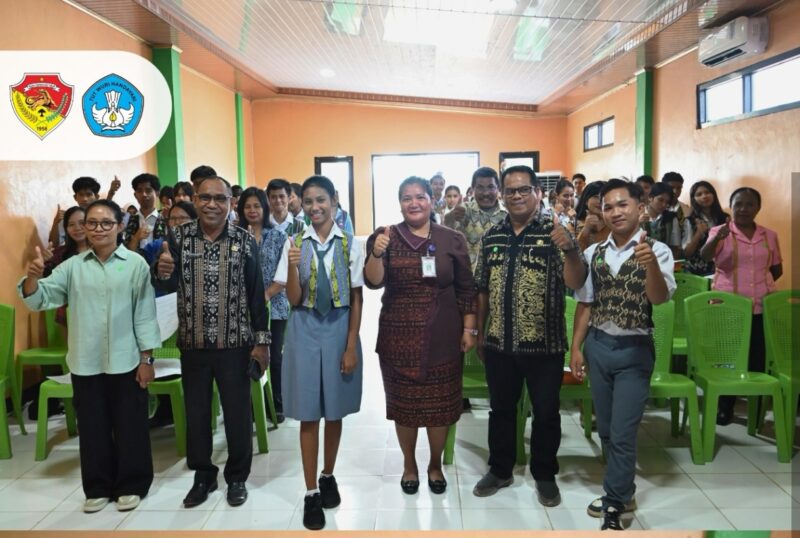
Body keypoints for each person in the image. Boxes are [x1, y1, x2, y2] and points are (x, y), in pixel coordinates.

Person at [19, 199, 161, 514]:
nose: (98, 229)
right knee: (93, 427)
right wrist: (32, 277)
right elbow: (40, 298)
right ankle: (97, 487)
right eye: (92, 223)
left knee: (130, 426)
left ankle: (132, 484)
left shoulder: (135, 264)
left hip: (126, 360)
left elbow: (145, 315)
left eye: (106, 223)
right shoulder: (73, 267)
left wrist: (146, 360)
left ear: (120, 226)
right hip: (86, 362)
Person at [153, 175, 270, 509]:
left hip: (235, 344)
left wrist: (262, 343)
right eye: (205, 198)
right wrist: (161, 270)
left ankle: (237, 477)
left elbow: (256, 295)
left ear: (230, 203)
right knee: (197, 415)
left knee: (237, 415)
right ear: (195, 200)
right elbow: (166, 283)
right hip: (194, 345)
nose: (212, 205)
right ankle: (203, 475)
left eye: (220, 199)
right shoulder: (179, 238)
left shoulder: (244, 241)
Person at [471, 165, 583, 506]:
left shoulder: (557, 232)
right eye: (510, 191)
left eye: (524, 189)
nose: (516, 196)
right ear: (502, 195)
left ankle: (545, 475)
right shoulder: (493, 235)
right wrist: (479, 332)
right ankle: (500, 470)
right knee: (501, 410)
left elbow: (576, 282)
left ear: (538, 192)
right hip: (499, 343)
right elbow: (482, 289)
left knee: (546, 413)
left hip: (545, 345)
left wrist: (571, 250)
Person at [568, 179, 675, 530]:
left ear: (639, 208)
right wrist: (576, 348)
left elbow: (659, 298)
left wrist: (650, 265)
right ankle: (624, 490)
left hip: (634, 350)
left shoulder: (657, 251)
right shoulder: (594, 253)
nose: (615, 212)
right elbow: (586, 303)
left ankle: (614, 500)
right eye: (608, 207)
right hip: (599, 346)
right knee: (607, 428)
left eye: (622, 204)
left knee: (624, 429)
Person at [365, 176, 477, 500]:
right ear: (400, 203)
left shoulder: (451, 239)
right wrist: (376, 253)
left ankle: (435, 465)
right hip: (397, 339)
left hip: (443, 335)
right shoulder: (385, 236)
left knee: (440, 407)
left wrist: (469, 328)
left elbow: (467, 288)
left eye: (420, 197)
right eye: (406, 198)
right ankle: (409, 464)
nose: (413, 203)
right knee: (405, 407)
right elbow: (373, 282)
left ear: (431, 200)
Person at [274, 176, 364, 530]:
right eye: (309, 201)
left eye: (321, 200)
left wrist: (351, 345)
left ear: (334, 200)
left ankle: (328, 475)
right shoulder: (294, 242)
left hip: (340, 326)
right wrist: (293, 265)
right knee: (309, 413)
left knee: (335, 410)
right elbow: (294, 298)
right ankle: (311, 491)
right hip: (305, 327)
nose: (315, 207)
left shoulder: (350, 243)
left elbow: (356, 297)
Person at [700, 187, 782, 426]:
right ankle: (725, 407)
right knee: (728, 359)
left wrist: (758, 285)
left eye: (749, 204)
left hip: (761, 306)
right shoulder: (720, 231)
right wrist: (718, 238)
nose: (743, 209)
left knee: (757, 358)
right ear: (731, 206)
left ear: (758, 208)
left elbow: (776, 269)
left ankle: (755, 410)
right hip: (729, 307)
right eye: (738, 204)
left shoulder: (769, 235)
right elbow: (705, 256)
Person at [237, 187, 288, 424]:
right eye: (247, 206)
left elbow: (283, 275)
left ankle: (276, 404)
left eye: (257, 205)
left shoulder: (278, 236)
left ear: (264, 208)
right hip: (242, 310)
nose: (252, 210)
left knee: (274, 357)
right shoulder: (235, 237)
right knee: (246, 358)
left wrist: (264, 296)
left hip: (274, 307)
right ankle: (248, 406)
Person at [443, 166, 507, 268]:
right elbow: (446, 235)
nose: (486, 193)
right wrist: (451, 217)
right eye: (480, 187)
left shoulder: (508, 214)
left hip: (498, 274)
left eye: (491, 187)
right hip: (469, 273)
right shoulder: (464, 210)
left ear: (498, 188)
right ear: (473, 189)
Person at [683, 180, 728, 276]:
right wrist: (698, 234)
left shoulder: (725, 218)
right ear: (694, 199)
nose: (704, 196)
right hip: (697, 272)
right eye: (699, 194)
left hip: (721, 270)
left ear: (713, 194)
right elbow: (686, 253)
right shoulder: (690, 221)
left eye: (707, 192)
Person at [642, 183, 690, 259]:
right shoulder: (638, 215)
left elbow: (675, 247)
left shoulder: (671, 219)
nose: (664, 205)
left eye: (667, 202)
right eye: (660, 200)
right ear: (650, 198)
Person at [48, 176, 101, 246]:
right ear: (75, 197)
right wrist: (55, 223)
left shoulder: (103, 216)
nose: (84, 199)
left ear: (97, 197)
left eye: (88, 194)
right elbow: (53, 244)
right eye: (81, 195)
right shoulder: (69, 216)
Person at [124, 173, 161, 251]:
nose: (144, 194)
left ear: (157, 193)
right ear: (135, 195)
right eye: (140, 191)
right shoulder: (129, 220)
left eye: (148, 190)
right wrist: (136, 238)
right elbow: (126, 251)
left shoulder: (165, 220)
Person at [575, 180, 609, 251]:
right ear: (586, 200)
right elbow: (573, 254)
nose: (600, 201)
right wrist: (586, 229)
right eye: (596, 197)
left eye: (603, 197)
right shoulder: (573, 225)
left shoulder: (613, 223)